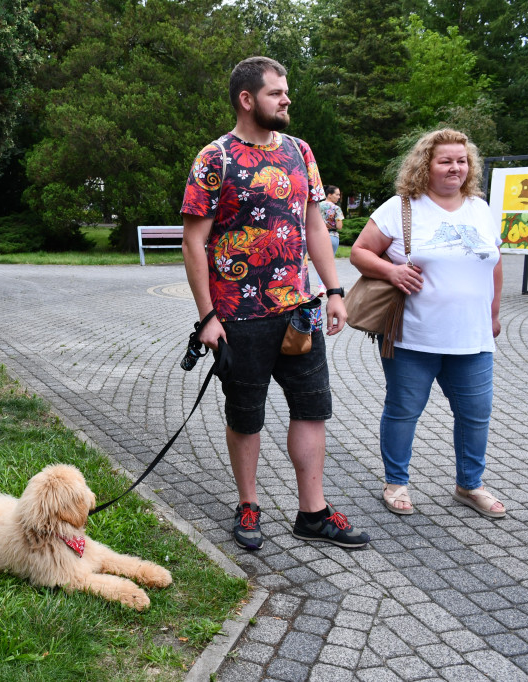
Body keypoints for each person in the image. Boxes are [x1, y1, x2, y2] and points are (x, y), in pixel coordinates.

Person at [180, 56, 370, 550]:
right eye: (276, 93)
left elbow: (315, 227)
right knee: (246, 413)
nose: (287, 99)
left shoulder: (300, 152)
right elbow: (193, 243)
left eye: (286, 92)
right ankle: (248, 504)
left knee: (311, 409)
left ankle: (313, 513)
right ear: (247, 99)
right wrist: (207, 317)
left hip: (299, 312)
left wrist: (333, 290)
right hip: (237, 317)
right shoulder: (214, 158)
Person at [349, 128, 505, 518]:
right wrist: (392, 271)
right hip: (413, 336)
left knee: (475, 413)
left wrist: (494, 313)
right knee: (404, 410)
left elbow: (494, 262)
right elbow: (359, 252)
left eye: (462, 160)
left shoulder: (479, 208)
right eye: (446, 161)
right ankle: (396, 482)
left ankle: (470, 485)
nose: (456, 168)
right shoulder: (401, 207)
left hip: (472, 337)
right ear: (425, 165)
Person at [319, 185, 344, 255]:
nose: (339, 197)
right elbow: (339, 226)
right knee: (329, 263)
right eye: (337, 195)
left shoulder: (316, 206)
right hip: (331, 236)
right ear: (329, 195)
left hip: (317, 237)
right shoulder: (336, 208)